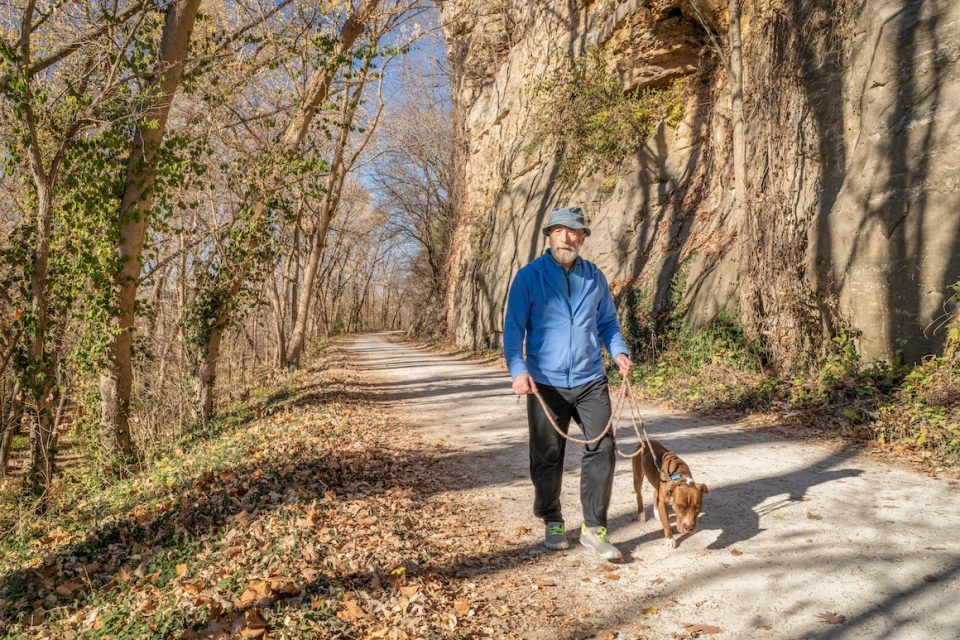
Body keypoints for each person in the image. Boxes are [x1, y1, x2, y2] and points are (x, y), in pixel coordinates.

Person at [503, 206, 633, 561]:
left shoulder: (595, 278)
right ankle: (552, 518)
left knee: (602, 448)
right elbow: (513, 331)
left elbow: (607, 323)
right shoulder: (528, 277)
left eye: (573, 231)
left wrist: (618, 351)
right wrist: (518, 370)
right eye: (558, 230)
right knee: (546, 454)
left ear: (583, 237)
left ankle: (594, 527)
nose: (565, 237)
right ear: (549, 235)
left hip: (591, 378)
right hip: (544, 381)